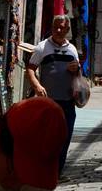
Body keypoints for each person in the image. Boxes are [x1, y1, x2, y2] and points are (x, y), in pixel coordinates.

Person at [26, 15, 81, 173]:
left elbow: (79, 74)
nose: (58, 30)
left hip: (68, 103)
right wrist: (37, 85)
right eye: (55, 26)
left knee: (65, 138)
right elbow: (30, 69)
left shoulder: (72, 50)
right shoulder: (42, 47)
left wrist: (77, 70)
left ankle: (57, 172)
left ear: (67, 30)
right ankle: (44, 170)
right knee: (47, 138)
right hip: (49, 103)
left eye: (62, 27)